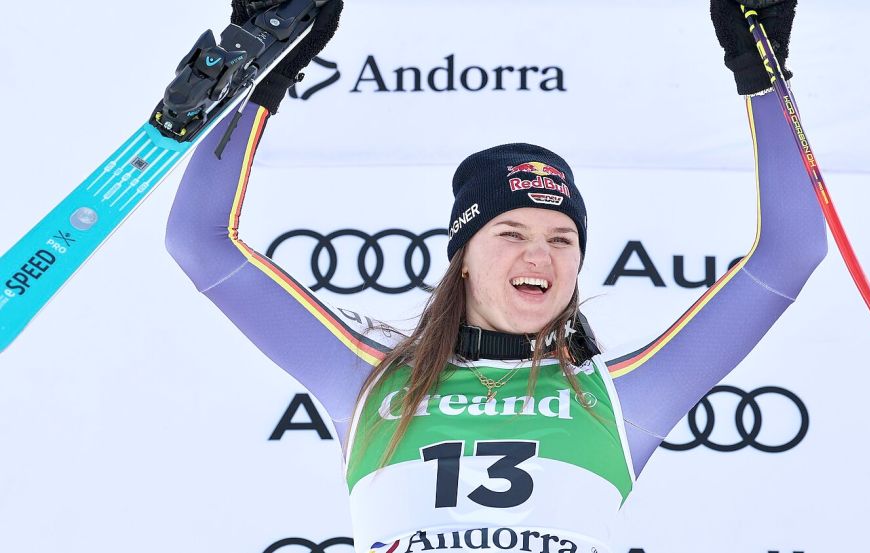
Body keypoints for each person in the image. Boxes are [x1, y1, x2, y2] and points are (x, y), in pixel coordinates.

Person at [165, 0, 826, 551]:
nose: (538, 256)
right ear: (463, 257)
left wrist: (759, 70)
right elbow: (201, 244)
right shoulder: (365, 381)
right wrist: (262, 74)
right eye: (510, 233)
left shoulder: (626, 397)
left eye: (561, 238)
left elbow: (787, 254)